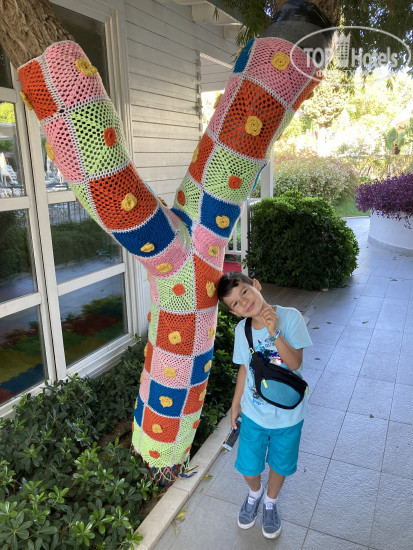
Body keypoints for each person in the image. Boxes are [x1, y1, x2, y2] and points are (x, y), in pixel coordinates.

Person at [217, 272, 312, 539]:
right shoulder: (242, 330)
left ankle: (270, 502)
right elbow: (244, 369)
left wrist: (274, 332)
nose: (244, 302)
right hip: (254, 414)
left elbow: (295, 363)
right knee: (248, 465)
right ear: (234, 312)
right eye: (235, 303)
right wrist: (236, 403)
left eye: (244, 292)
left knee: (281, 463)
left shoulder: (291, 317)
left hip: (289, 415)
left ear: (256, 285)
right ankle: (255, 493)